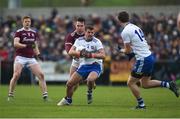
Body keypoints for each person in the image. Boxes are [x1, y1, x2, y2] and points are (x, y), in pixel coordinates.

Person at [117, 11, 179, 109]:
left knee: (130, 82)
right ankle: (168, 84)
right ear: (128, 18)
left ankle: (141, 105)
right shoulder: (135, 27)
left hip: (143, 59)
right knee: (145, 84)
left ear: (118, 20)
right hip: (149, 57)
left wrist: (121, 50)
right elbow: (139, 45)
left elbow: (128, 50)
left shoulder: (125, 32)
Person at [57, 25, 105, 106]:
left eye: (92, 32)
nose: (90, 34)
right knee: (69, 84)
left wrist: (91, 55)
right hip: (84, 65)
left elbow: (103, 55)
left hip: (95, 65)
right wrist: (80, 53)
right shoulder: (79, 40)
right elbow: (70, 52)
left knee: (90, 79)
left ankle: (89, 92)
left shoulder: (97, 42)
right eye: (88, 32)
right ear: (85, 32)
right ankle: (68, 100)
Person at [7, 16, 48, 101]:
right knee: (16, 75)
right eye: (26, 21)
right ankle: (10, 95)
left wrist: (39, 55)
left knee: (41, 75)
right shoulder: (19, 32)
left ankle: (45, 96)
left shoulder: (33, 33)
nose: (27, 23)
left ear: (30, 22)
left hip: (30, 58)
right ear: (23, 22)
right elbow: (15, 44)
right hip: (20, 57)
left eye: (29, 21)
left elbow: (35, 46)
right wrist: (25, 45)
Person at [65, 17, 96, 92]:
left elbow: (94, 48)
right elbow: (68, 49)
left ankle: (90, 83)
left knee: (87, 81)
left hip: (87, 60)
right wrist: (77, 54)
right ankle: (68, 98)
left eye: (81, 26)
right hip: (76, 60)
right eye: (78, 25)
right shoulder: (71, 36)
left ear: (84, 26)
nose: (79, 27)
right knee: (71, 82)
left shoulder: (89, 35)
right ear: (75, 26)